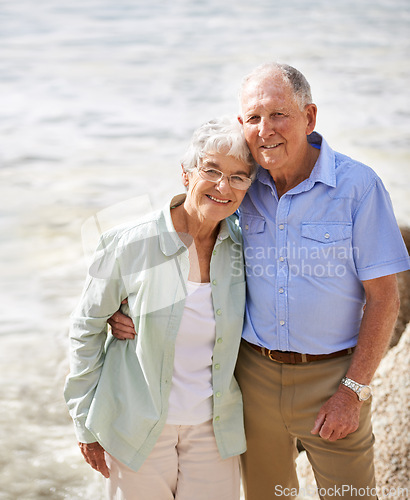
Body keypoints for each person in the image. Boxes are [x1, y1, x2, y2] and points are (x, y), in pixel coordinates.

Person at [109, 63, 410, 500]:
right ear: (241, 124)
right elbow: (188, 229)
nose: (265, 129)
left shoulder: (358, 187)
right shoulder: (240, 184)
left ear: (309, 116)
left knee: (352, 496)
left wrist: (353, 389)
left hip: (334, 377)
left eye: (278, 114)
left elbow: (385, 299)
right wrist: (130, 301)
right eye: (253, 118)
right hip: (252, 378)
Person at [64, 115, 257, 500]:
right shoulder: (128, 245)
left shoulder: (246, 248)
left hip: (213, 430)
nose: (223, 186)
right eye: (212, 171)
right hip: (136, 426)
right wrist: (84, 424)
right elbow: (85, 328)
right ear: (186, 175)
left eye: (238, 177)